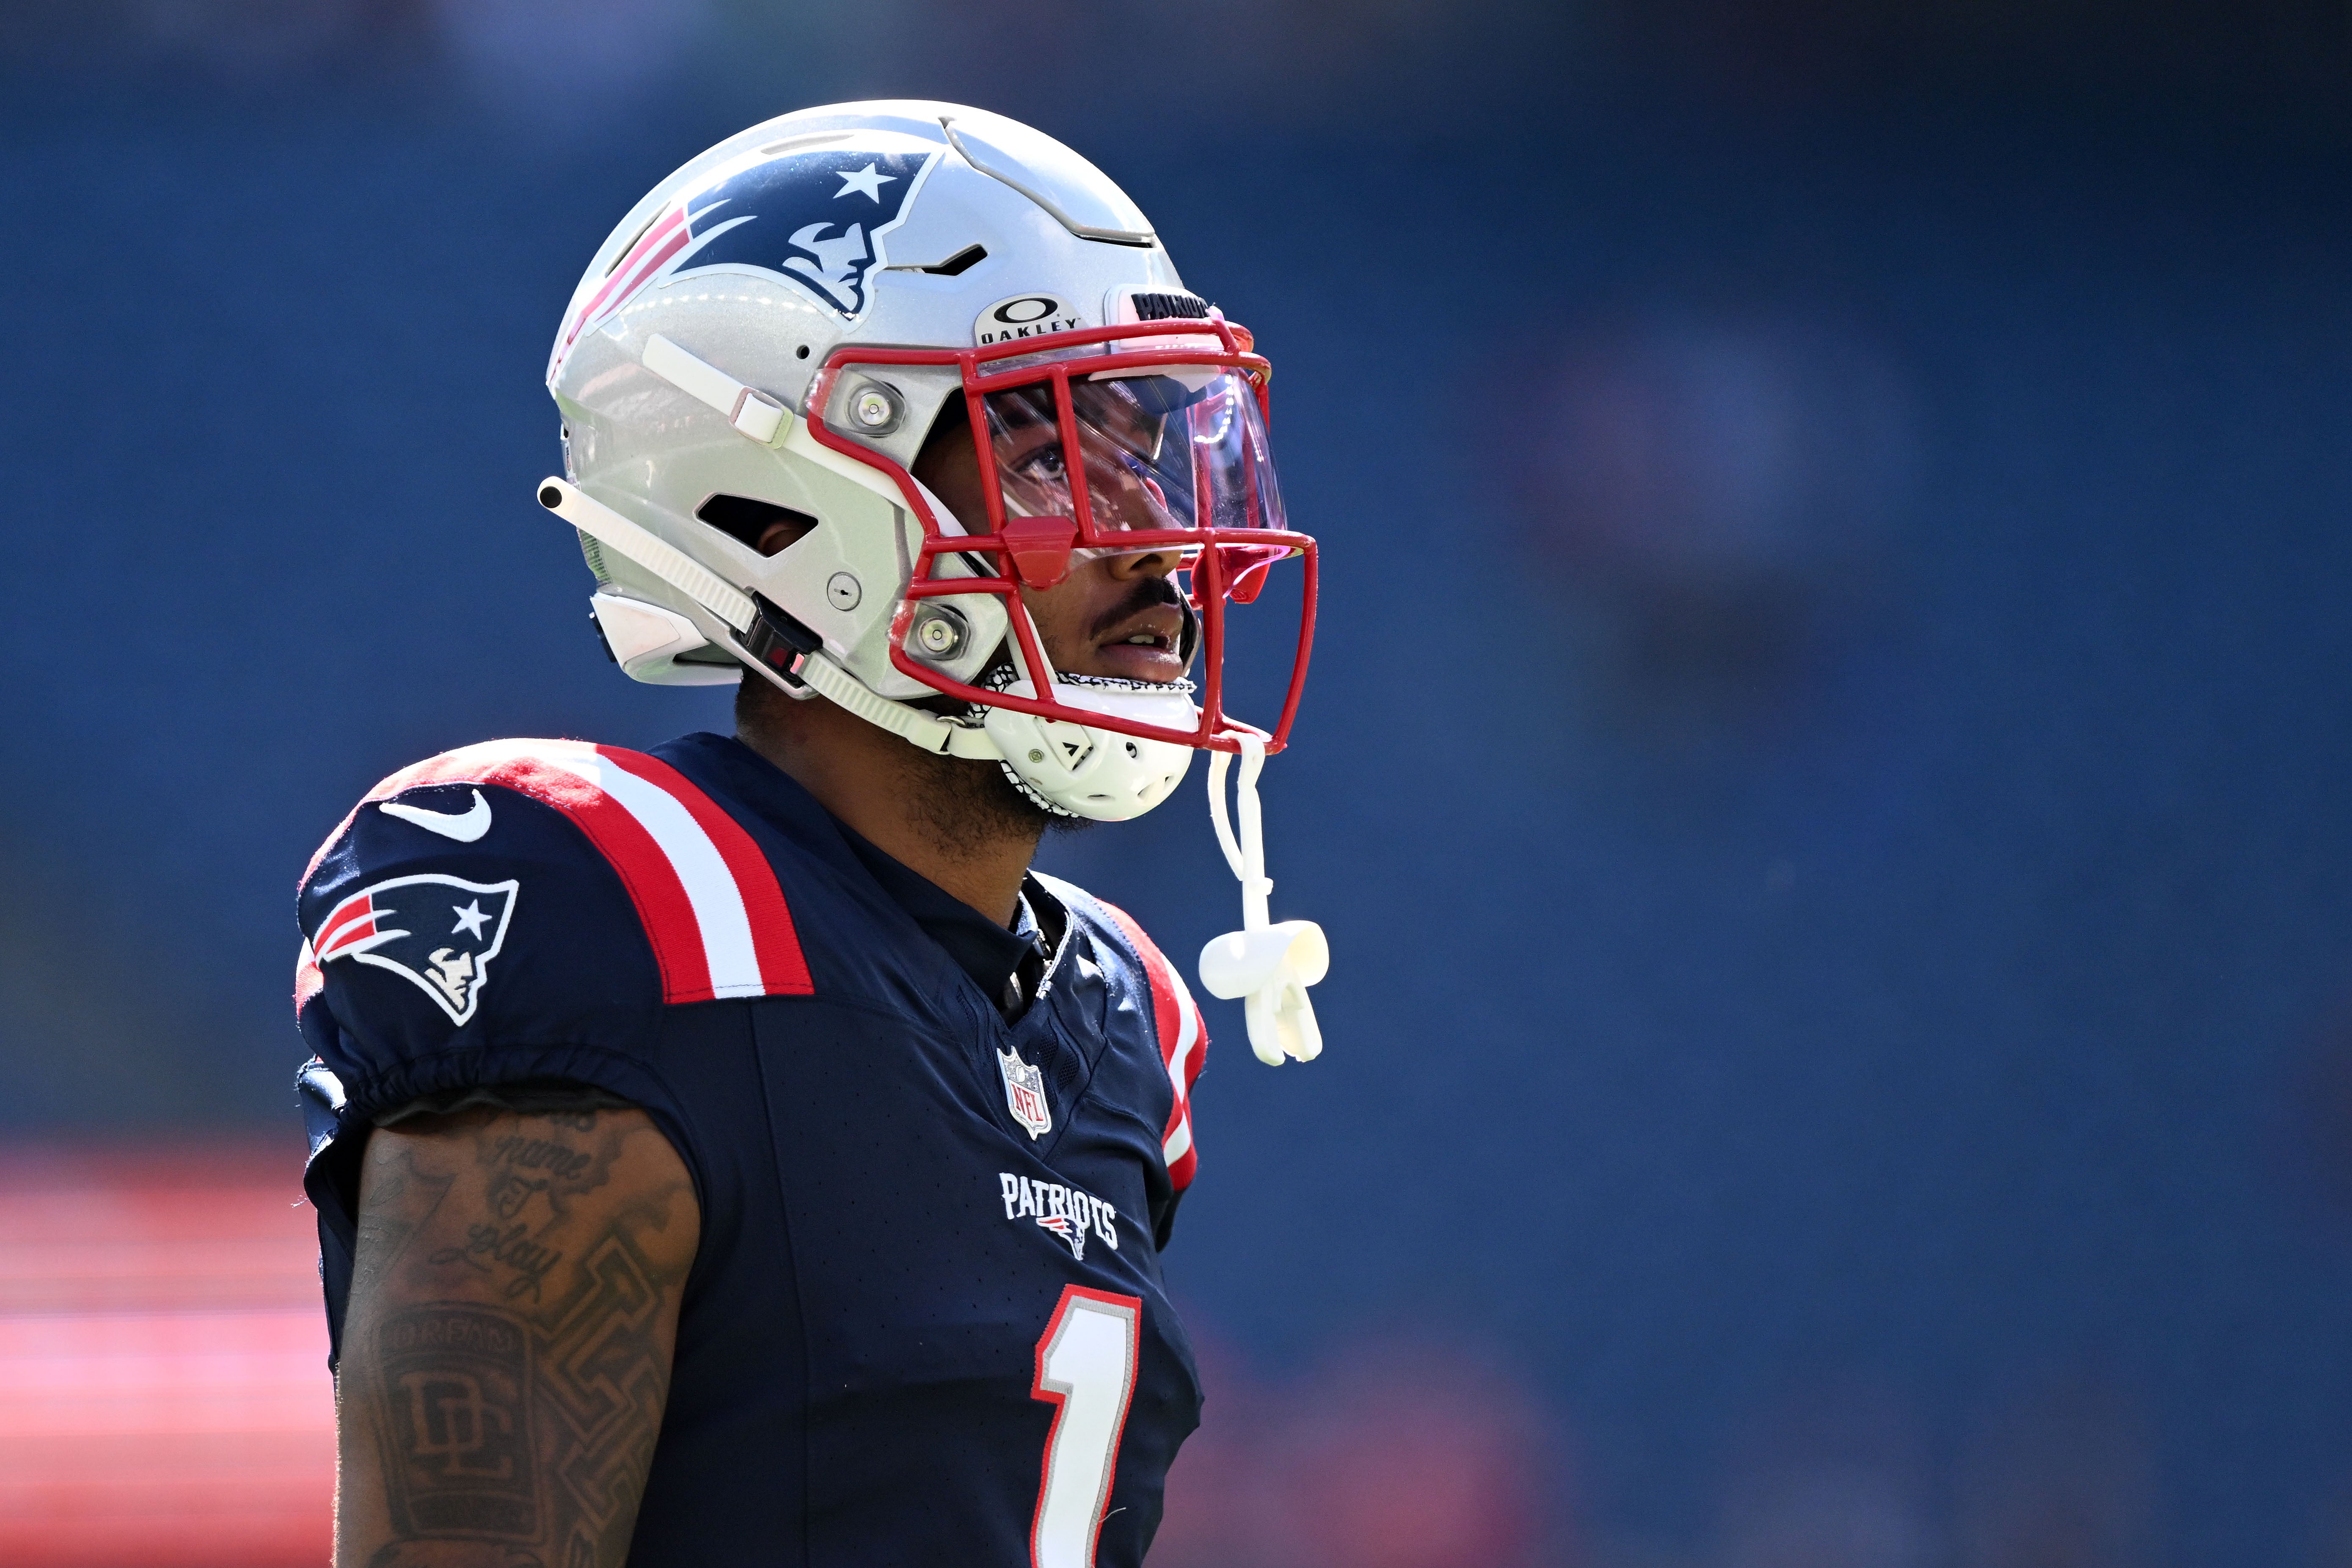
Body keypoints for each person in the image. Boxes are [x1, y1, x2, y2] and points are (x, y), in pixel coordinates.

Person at [291, 101, 1329, 1568]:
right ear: (791, 502)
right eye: (1050, 452)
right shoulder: (626, 910)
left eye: (1149, 451)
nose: (1157, 532)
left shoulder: (1117, 1022)